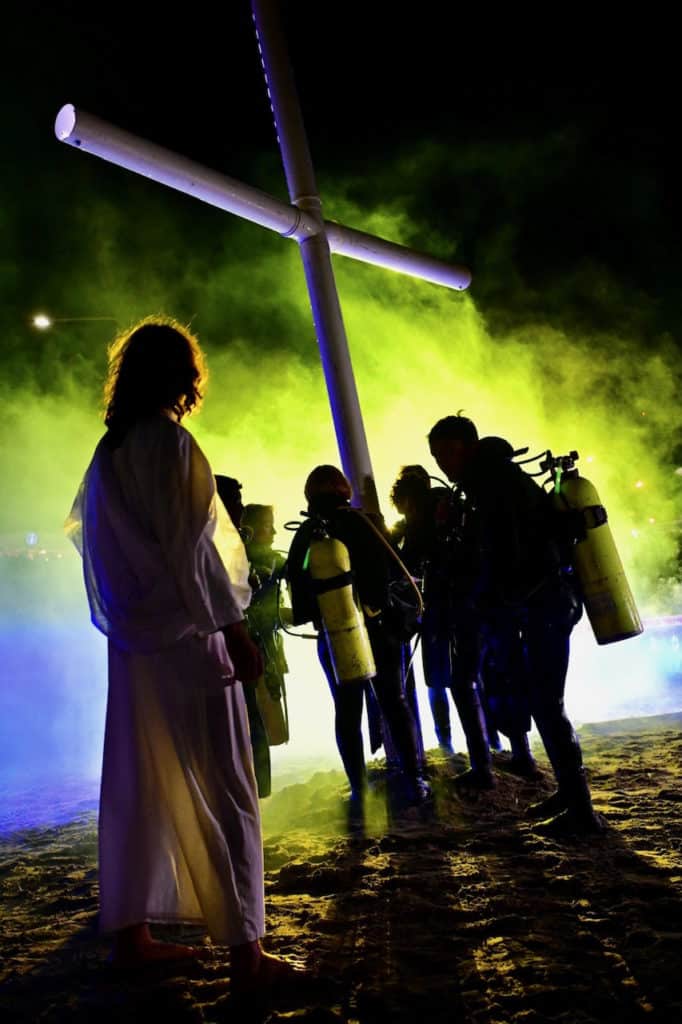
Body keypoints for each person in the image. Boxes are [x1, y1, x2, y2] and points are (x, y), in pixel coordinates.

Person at [66, 316, 302, 988]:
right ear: (184, 375)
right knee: (225, 786)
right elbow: (193, 553)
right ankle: (246, 956)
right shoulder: (168, 444)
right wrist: (234, 632)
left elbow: (100, 551)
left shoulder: (107, 454)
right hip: (191, 643)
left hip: (135, 650)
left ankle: (133, 935)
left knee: (140, 783)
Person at [428, 413, 604, 834]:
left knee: (546, 702)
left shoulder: (496, 485)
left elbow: (513, 553)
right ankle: (569, 793)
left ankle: (581, 810)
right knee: (543, 701)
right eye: (437, 456)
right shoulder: (487, 484)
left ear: (468, 447)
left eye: (448, 453)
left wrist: (490, 599)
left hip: (541, 605)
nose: (443, 464)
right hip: (538, 605)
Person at [286, 465, 429, 811]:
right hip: (379, 631)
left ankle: (358, 790)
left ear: (309, 495)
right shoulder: (367, 523)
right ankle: (413, 780)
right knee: (394, 702)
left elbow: (298, 596)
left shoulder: (306, 534)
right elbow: (395, 571)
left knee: (347, 712)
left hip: (334, 635)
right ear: (344, 490)